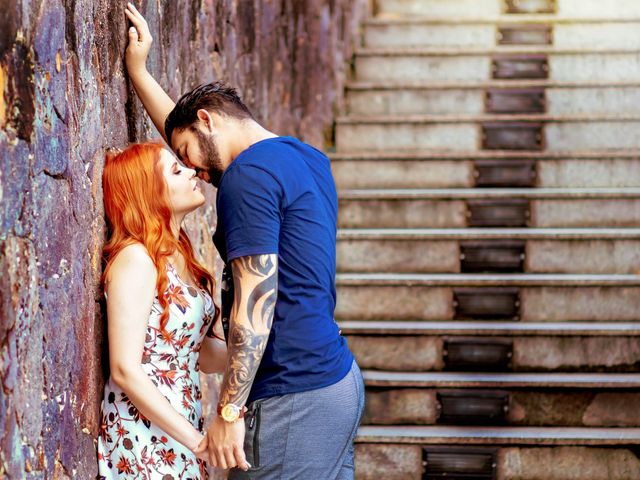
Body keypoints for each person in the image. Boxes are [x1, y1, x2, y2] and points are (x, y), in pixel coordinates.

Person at [123, 3, 365, 479]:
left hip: (292, 393)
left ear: (209, 120)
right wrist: (139, 73)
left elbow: (257, 302)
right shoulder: (303, 159)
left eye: (188, 155)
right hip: (337, 383)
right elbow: (183, 127)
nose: (194, 171)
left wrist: (229, 413)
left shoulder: (246, 179)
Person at [97, 141, 227, 479]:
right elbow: (124, 369)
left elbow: (197, 355)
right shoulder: (135, 259)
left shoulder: (179, 258)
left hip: (178, 425)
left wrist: (270, 348)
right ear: (148, 192)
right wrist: (197, 442)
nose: (191, 171)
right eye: (175, 169)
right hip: (142, 431)